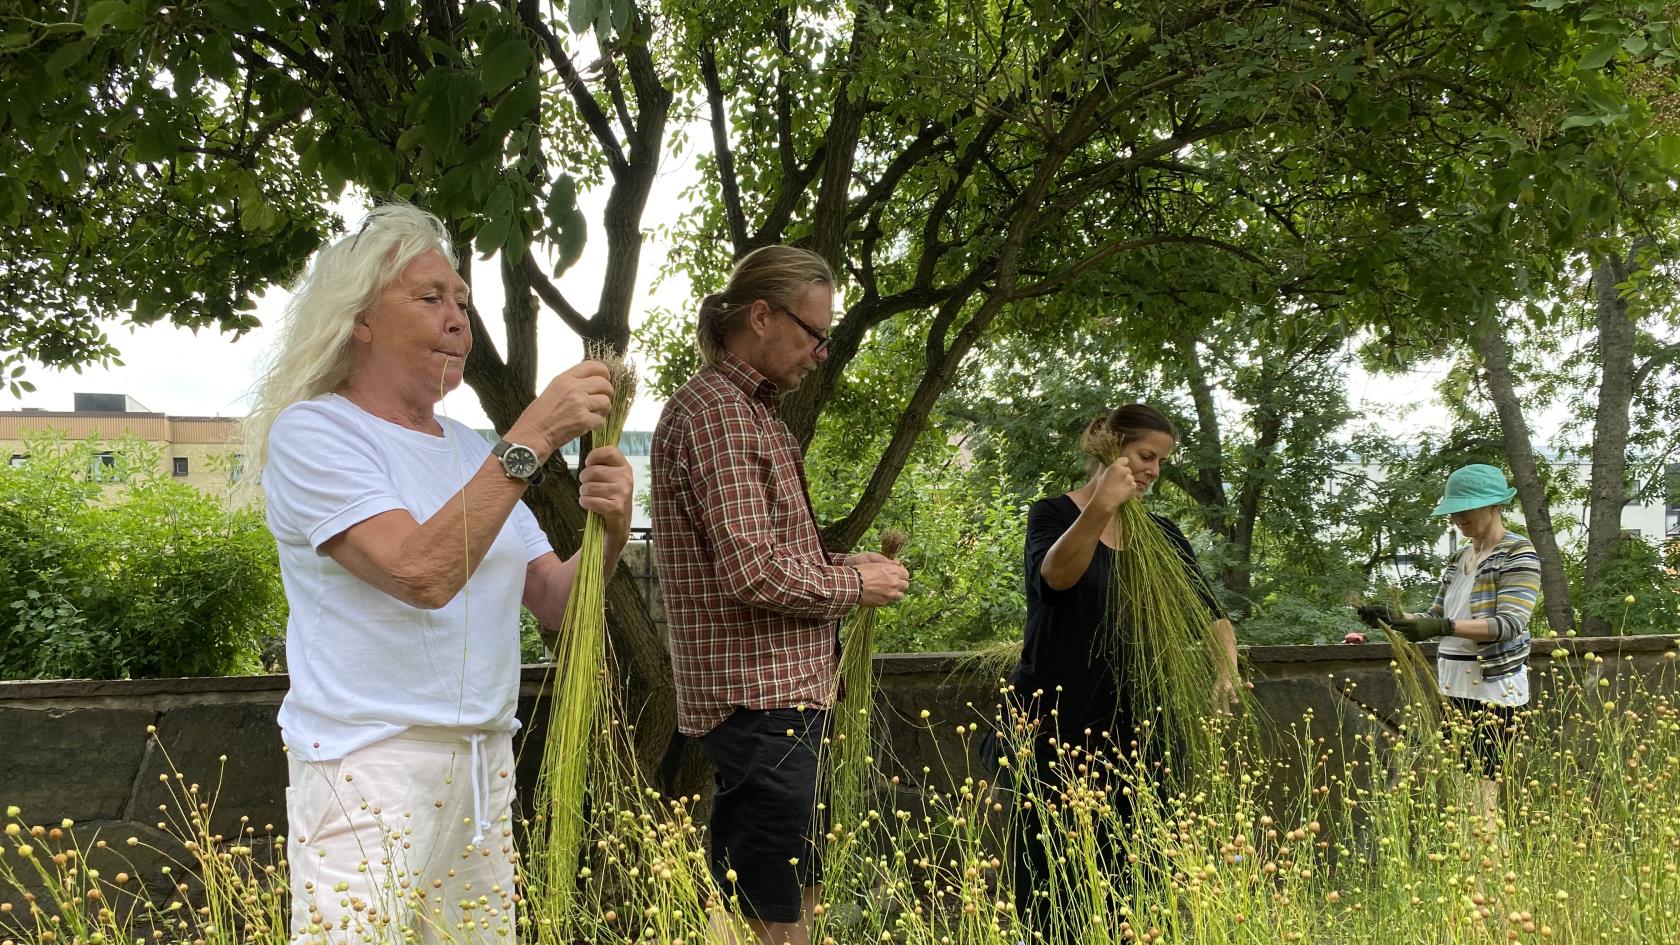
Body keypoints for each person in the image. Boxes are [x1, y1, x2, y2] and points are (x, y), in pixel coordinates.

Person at [245, 203, 634, 945]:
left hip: (482, 761)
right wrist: (535, 435)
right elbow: (419, 573)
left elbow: (556, 600)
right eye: (431, 298)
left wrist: (610, 534)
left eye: (463, 300)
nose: (459, 319)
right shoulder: (316, 432)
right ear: (358, 319)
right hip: (367, 766)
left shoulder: (467, 448)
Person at [649, 245, 910, 945]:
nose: (821, 352)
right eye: (813, 333)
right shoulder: (718, 415)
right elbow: (752, 571)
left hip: (787, 695)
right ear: (760, 316)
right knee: (772, 911)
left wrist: (837, 561)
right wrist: (855, 583)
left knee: (796, 884)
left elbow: (775, 555)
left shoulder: (758, 414)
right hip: (756, 700)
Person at [1002, 405, 1240, 936]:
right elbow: (1056, 579)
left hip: (1141, 726)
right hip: (1055, 724)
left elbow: (1213, 616)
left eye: (1161, 461)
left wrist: (1226, 669)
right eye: (1145, 455)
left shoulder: (1164, 536)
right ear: (1109, 446)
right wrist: (1101, 509)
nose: (1154, 470)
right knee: (1053, 869)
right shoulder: (1052, 514)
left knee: (1138, 874)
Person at [1357, 463, 1540, 818]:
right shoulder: (1460, 557)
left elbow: (1509, 624)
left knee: (1480, 801)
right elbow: (1435, 616)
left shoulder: (1519, 553)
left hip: (1493, 690)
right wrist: (1393, 619)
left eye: (1465, 508)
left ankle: (1489, 872)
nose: (1457, 516)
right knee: (1463, 796)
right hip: (1453, 686)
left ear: (1494, 505)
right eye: (1454, 509)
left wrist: (1442, 627)